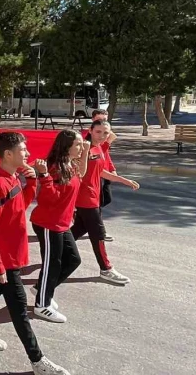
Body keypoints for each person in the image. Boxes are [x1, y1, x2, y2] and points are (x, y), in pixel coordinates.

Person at [0, 131, 70, 375]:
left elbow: (21, 206)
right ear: (8, 154)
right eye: (24, 150)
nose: (28, 154)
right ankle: (38, 361)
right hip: (5, 258)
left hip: (13, 253)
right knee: (20, 310)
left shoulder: (12, 177)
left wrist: (32, 181)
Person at [29, 130, 89, 324]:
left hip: (62, 223)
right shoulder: (54, 167)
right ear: (66, 146)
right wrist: (44, 176)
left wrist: (71, 214)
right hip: (48, 223)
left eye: (81, 144)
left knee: (73, 260)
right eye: (78, 144)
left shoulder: (71, 165)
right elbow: (48, 199)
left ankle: (41, 288)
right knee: (52, 264)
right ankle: (42, 305)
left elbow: (70, 192)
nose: (81, 147)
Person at [72, 120, 139, 285]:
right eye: (98, 132)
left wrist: (123, 180)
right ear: (90, 130)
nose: (102, 136)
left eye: (106, 133)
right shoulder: (83, 148)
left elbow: (100, 171)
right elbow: (78, 170)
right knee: (98, 234)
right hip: (84, 198)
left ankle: (55, 251)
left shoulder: (100, 148)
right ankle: (106, 268)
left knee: (77, 230)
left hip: (94, 196)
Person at [86, 109, 118, 240]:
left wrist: (112, 168)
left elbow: (105, 155)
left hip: (103, 171)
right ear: (93, 120)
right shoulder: (89, 138)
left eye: (105, 119)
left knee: (105, 199)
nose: (103, 122)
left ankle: (84, 219)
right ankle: (99, 231)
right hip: (93, 175)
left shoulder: (105, 134)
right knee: (96, 204)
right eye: (99, 119)